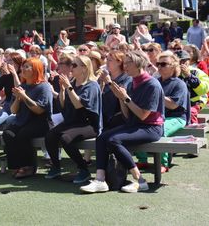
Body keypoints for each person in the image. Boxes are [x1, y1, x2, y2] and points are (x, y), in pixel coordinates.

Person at [81, 51, 164, 193]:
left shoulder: (152, 85)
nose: (125, 66)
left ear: (138, 63)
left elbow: (143, 116)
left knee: (113, 140)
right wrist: (121, 99)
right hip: (134, 125)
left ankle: (140, 180)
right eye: (124, 63)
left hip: (151, 128)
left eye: (128, 63)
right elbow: (127, 115)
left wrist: (125, 98)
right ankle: (100, 180)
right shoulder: (132, 83)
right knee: (101, 138)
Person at [45, 55, 101, 184]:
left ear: (84, 68)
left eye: (74, 65)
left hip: (89, 124)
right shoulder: (73, 83)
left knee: (66, 138)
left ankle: (83, 169)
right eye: (71, 65)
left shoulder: (91, 85)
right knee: (50, 135)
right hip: (72, 122)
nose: (71, 68)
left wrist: (68, 87)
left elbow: (79, 104)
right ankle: (56, 167)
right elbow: (63, 105)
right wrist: (63, 90)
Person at [136, 51, 189, 171]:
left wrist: (157, 93)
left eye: (164, 64)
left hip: (176, 118)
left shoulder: (179, 84)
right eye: (158, 64)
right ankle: (142, 160)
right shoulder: (155, 81)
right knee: (137, 126)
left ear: (173, 66)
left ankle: (163, 163)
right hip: (156, 117)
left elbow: (173, 105)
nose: (159, 66)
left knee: (161, 129)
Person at [2, 57, 53, 179]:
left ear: (35, 69)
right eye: (23, 66)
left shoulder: (43, 87)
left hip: (40, 122)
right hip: (23, 121)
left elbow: (39, 109)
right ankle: (15, 166)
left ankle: (29, 167)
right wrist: (18, 99)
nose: (23, 69)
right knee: (7, 133)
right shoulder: (22, 86)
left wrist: (24, 96)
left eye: (27, 67)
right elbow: (13, 111)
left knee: (23, 134)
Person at [99, 51, 132, 130]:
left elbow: (121, 95)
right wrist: (101, 84)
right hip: (104, 116)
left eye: (110, 60)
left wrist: (109, 83)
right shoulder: (106, 76)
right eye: (107, 59)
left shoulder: (126, 78)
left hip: (118, 118)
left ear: (119, 62)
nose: (107, 62)